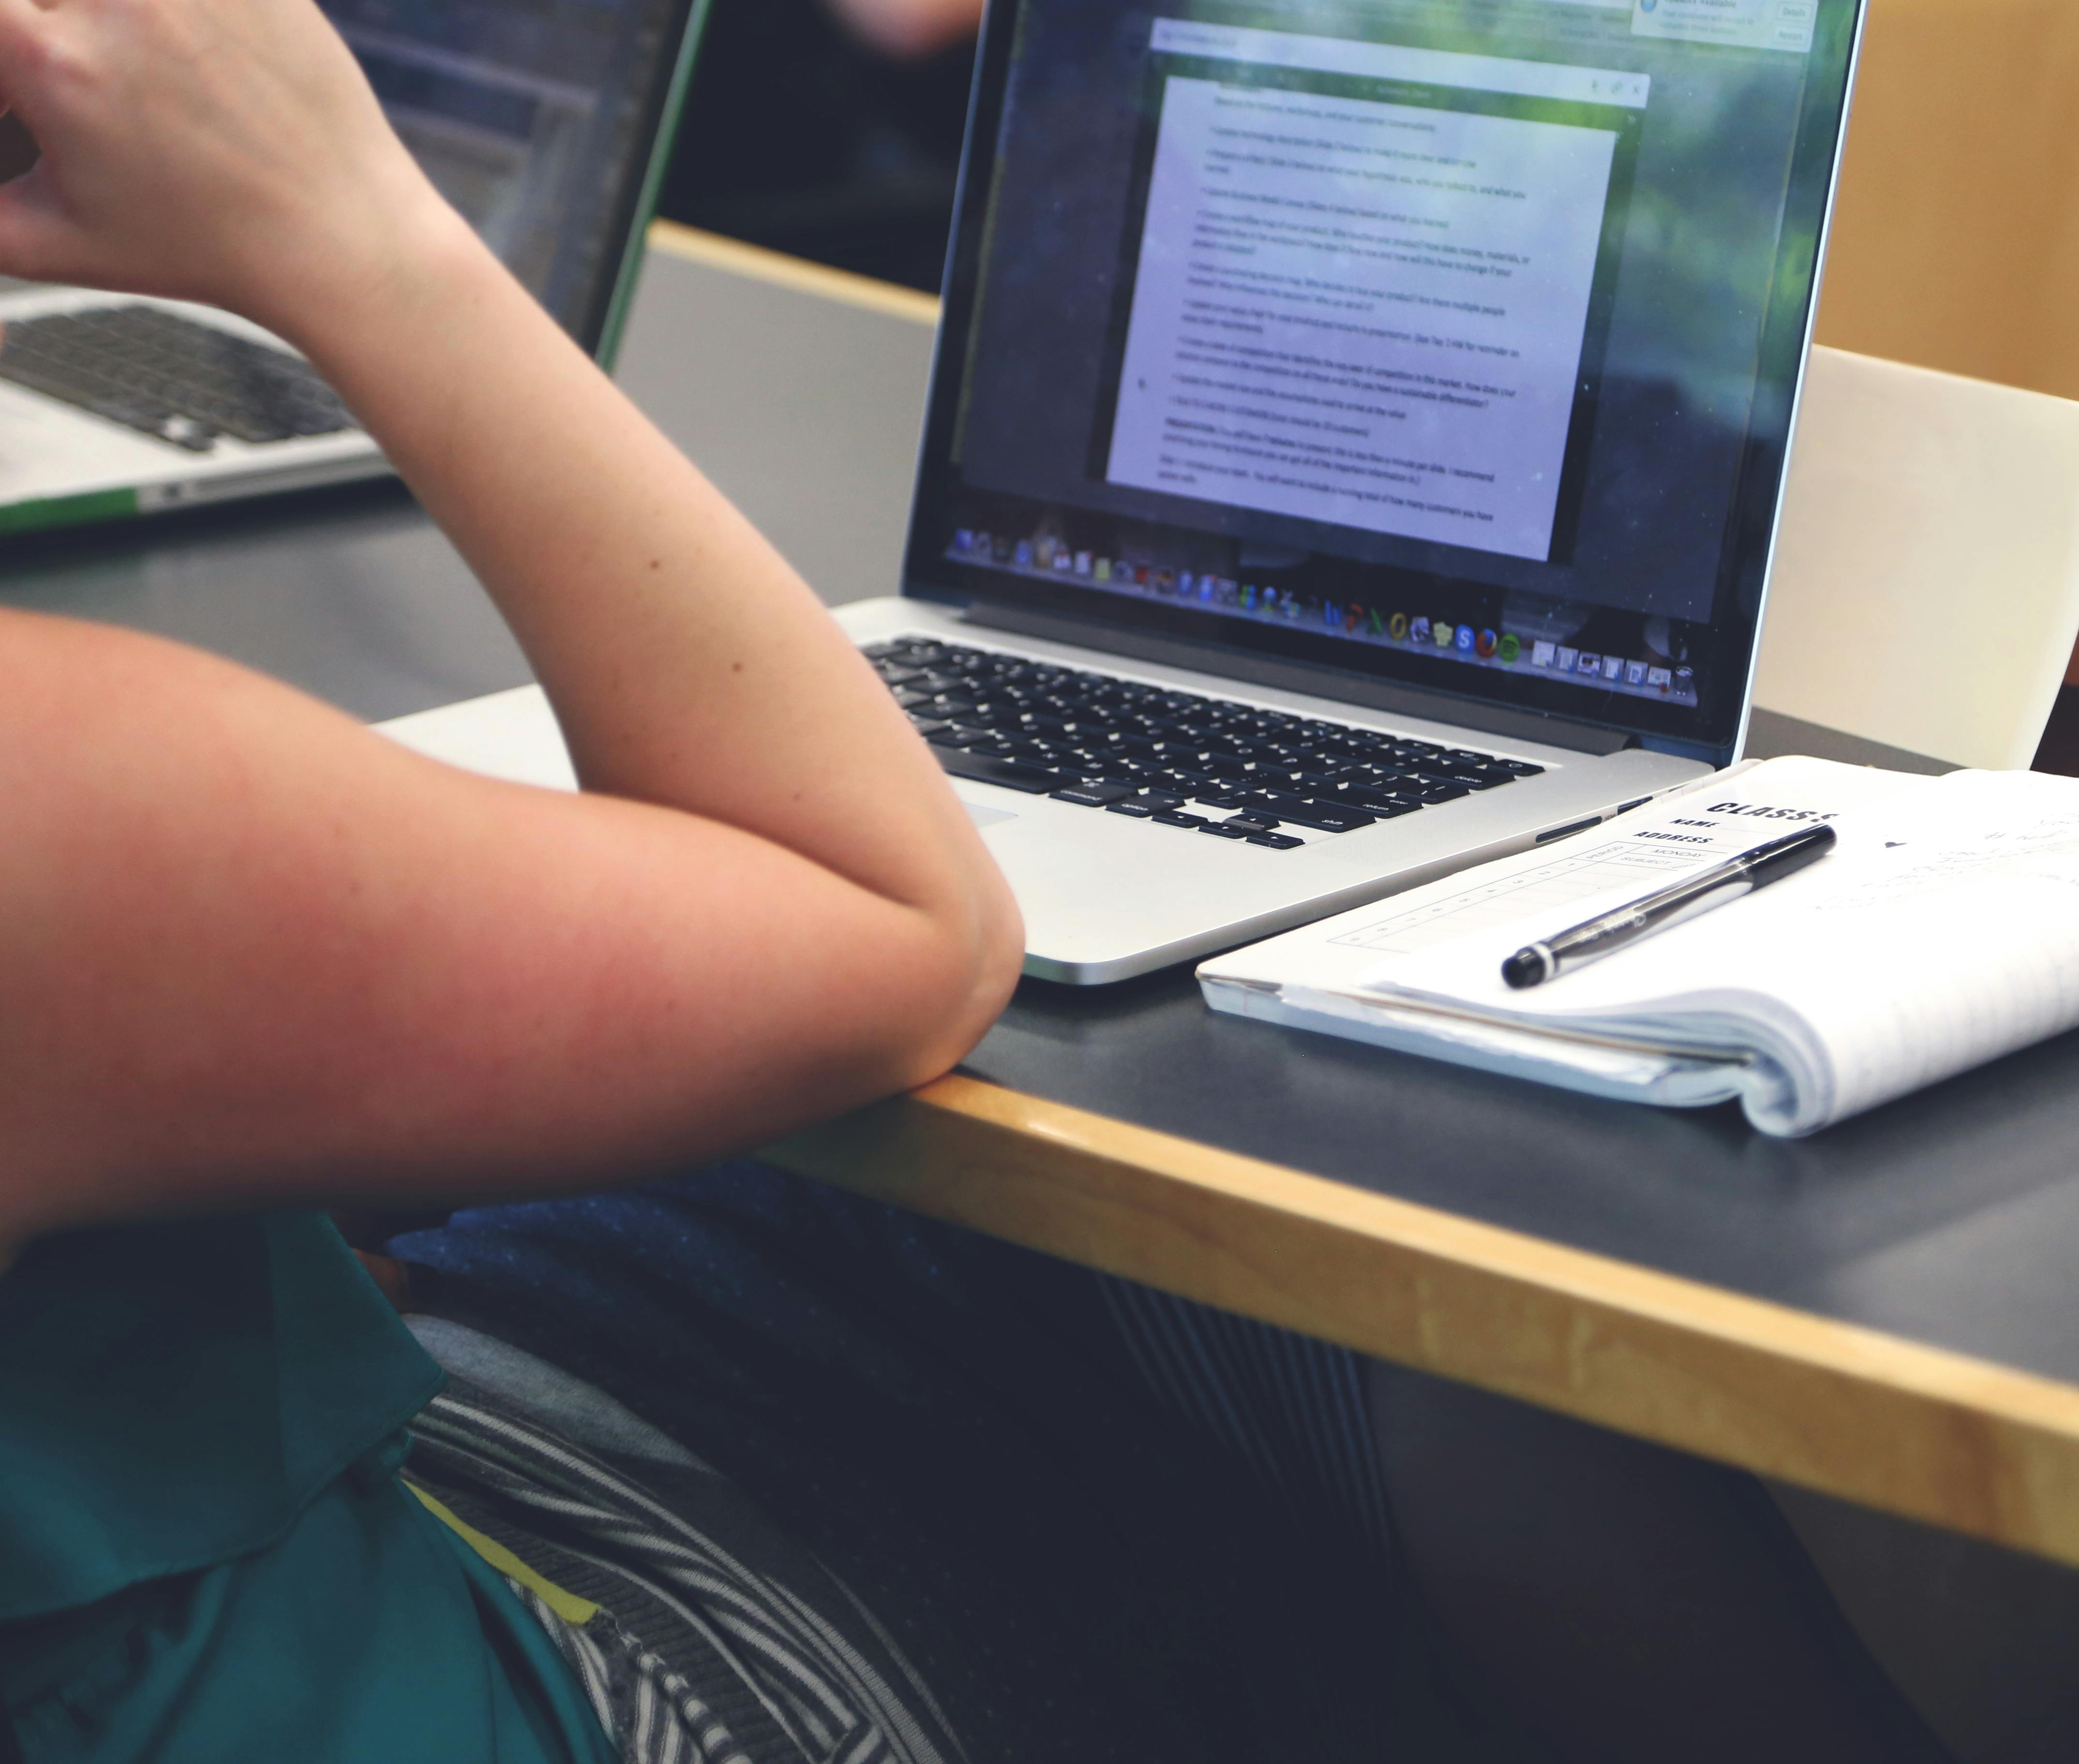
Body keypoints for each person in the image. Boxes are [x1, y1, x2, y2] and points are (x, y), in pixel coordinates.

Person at [0, 2, 1956, 1758]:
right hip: (472, 1682)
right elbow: (899, 932)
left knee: (765, 1199)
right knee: (1381, 1290)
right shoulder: (70, 798)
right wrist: (357, 224)